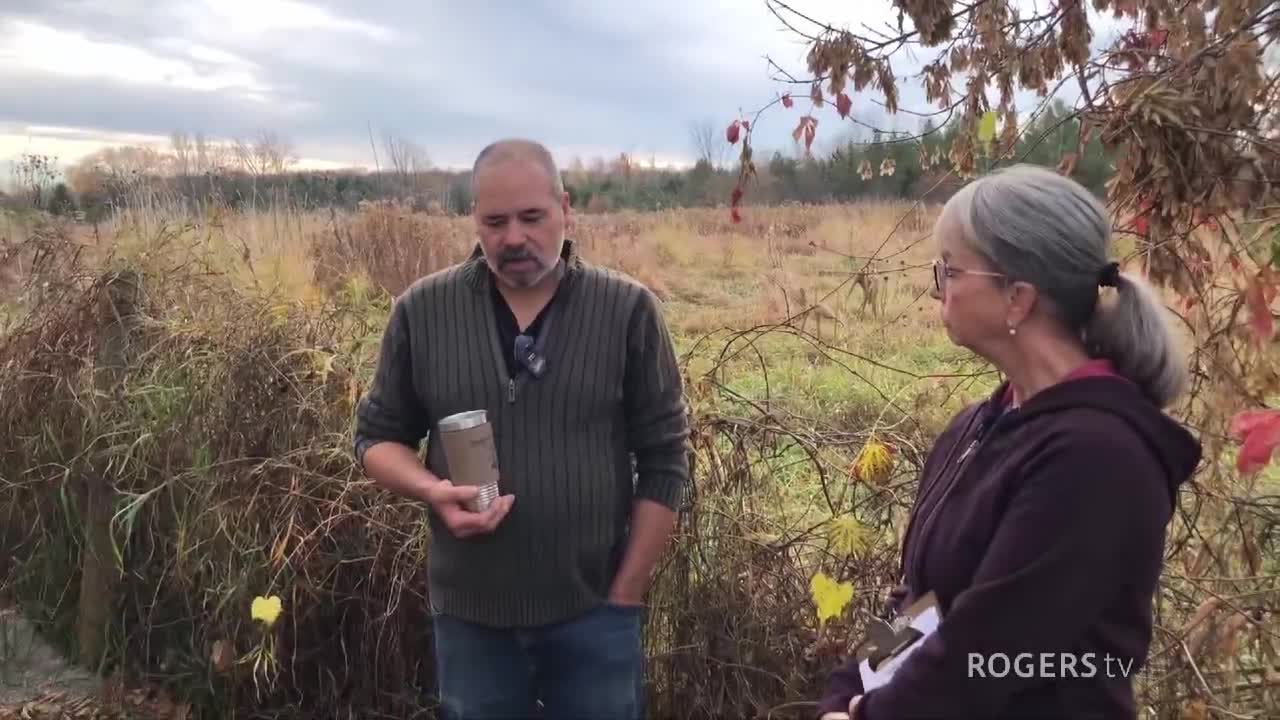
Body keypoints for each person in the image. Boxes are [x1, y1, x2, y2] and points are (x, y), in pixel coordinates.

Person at [817, 164, 1203, 719]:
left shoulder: (1097, 460)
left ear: (1018, 298)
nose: (938, 288)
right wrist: (846, 690)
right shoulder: (979, 425)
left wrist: (865, 716)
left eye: (949, 270)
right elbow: (922, 606)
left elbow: (987, 653)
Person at [352, 138, 690, 720]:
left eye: (532, 217)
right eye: (496, 221)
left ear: (566, 207)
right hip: (471, 621)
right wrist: (432, 490)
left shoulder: (627, 311)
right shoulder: (422, 311)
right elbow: (376, 438)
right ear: (474, 220)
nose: (514, 238)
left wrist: (624, 595)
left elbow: (665, 461)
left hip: (593, 615)